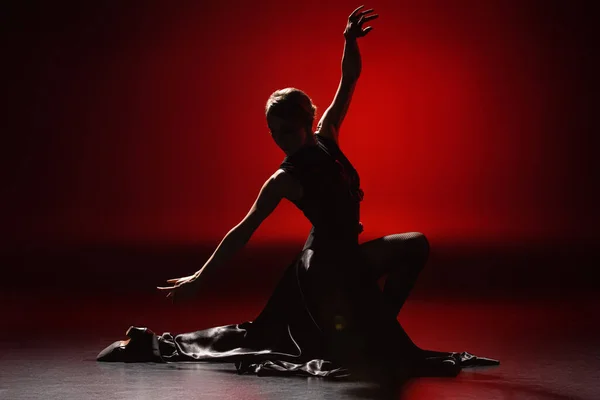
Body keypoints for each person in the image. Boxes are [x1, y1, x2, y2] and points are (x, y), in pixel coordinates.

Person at [97, 5, 499, 381]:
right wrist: (201, 278)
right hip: (323, 270)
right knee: (323, 346)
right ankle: (373, 333)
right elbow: (244, 230)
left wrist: (349, 41)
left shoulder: (327, 137)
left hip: (348, 260)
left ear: (307, 122)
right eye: (273, 133)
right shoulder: (283, 179)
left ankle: (377, 329)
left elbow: (350, 80)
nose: (279, 141)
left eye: (286, 132)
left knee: (416, 244)